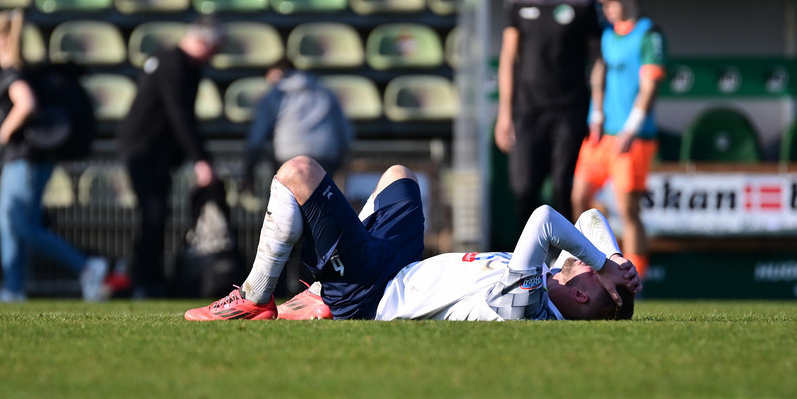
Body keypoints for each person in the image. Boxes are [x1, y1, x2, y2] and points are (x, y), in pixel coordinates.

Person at [184, 156, 640, 321]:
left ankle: (254, 297)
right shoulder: (558, 278)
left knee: (298, 173)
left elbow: (544, 219)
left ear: (582, 295)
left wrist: (603, 265)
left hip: (373, 292)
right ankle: (322, 287)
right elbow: (591, 217)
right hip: (401, 265)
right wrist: (616, 260)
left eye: (592, 270)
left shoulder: (530, 305)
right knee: (400, 176)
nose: (589, 259)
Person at [0, 9, 108, 302]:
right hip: (22, 159)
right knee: (9, 223)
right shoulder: (19, 72)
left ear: (2, 39)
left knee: (23, 225)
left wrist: (4, 132)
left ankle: (86, 266)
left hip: (27, 159)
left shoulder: (14, 74)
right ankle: (13, 288)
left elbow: (26, 103)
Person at [495, 0, 601, 235]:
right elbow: (508, 57)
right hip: (529, 109)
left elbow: (598, 58)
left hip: (570, 108)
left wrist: (597, 110)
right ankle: (530, 256)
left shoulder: (582, 0)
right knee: (524, 187)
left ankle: (567, 258)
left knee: (563, 188)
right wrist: (505, 114)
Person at [117, 16, 224, 299]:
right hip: (143, 150)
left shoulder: (189, 67)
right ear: (202, 42)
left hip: (159, 153)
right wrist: (200, 159)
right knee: (153, 213)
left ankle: (151, 279)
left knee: (157, 214)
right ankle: (142, 280)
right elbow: (179, 114)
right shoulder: (172, 63)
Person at [571, 0, 666, 280]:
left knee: (629, 211)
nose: (607, 8)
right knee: (580, 199)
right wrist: (596, 115)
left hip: (633, 138)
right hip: (602, 135)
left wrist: (631, 127)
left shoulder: (649, 35)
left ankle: (634, 280)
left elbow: (649, 86)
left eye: (612, 1)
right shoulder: (608, 35)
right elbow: (599, 74)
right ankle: (594, 268)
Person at [241, 58, 353, 187]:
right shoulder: (324, 91)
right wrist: (342, 156)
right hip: (324, 153)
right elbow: (343, 130)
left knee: (291, 197)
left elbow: (258, 134)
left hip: (289, 155)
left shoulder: (275, 94)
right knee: (321, 197)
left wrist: (249, 166)